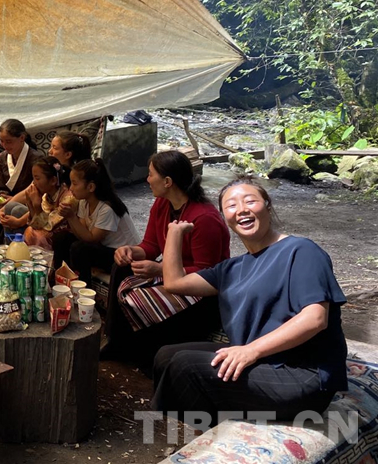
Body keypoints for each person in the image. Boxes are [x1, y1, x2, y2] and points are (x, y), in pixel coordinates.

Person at [152, 178, 347, 426]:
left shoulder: (301, 250)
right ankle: (188, 427)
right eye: (231, 205)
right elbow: (174, 284)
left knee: (185, 365)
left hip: (299, 374)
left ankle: (205, 442)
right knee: (167, 355)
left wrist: (250, 350)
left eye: (250, 201)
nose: (242, 209)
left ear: (267, 205)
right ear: (225, 218)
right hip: (263, 361)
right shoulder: (233, 268)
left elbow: (315, 318)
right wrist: (174, 234)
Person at [103, 151, 230, 364]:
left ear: (168, 181)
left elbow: (207, 271)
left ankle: (147, 356)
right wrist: (130, 251)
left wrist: (159, 270)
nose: (147, 179)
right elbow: (151, 246)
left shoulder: (204, 218)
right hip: (172, 275)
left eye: (151, 174)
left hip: (203, 293)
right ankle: (116, 342)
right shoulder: (162, 204)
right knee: (122, 267)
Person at [52, 158, 140, 282]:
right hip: (102, 247)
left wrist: (71, 217)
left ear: (91, 187)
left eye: (75, 183)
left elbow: (91, 238)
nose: (71, 188)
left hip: (123, 255)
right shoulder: (84, 202)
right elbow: (82, 232)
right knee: (61, 238)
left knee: (80, 249)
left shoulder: (107, 208)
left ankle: (83, 288)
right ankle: (60, 277)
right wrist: (70, 217)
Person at [0, 119, 39, 247]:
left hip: (27, 202)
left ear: (22, 138)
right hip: (6, 201)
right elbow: (1, 186)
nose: (5, 145)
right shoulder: (2, 157)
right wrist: (1, 198)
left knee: (14, 210)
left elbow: (36, 189)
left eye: (9, 141)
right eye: (2, 141)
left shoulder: (36, 159)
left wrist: (12, 200)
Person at [0, 156, 72, 248]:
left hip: (62, 235)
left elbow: (49, 226)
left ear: (53, 180)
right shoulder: (46, 195)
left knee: (35, 234)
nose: (34, 183)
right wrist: (30, 203)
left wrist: (36, 206)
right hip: (47, 228)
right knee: (14, 210)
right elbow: (36, 224)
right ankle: (11, 250)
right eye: (33, 178)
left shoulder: (66, 199)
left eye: (37, 178)